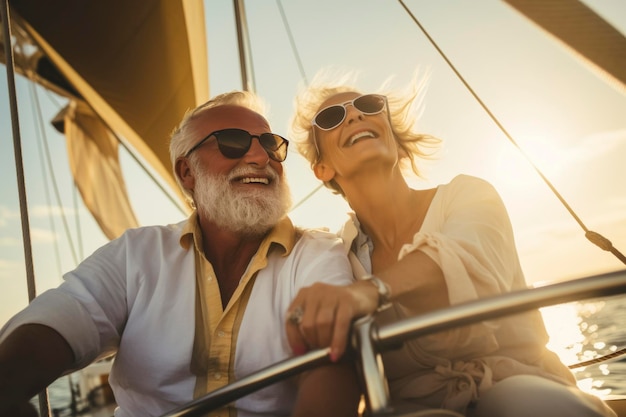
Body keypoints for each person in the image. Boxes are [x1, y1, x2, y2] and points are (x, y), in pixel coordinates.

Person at [0, 91, 361, 417]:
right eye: (233, 142)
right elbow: (64, 318)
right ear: (187, 172)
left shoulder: (316, 253)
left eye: (270, 144)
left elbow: (331, 362)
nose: (259, 156)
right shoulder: (136, 254)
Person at [284, 71, 617, 417]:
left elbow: (459, 266)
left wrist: (367, 292)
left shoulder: (469, 196)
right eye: (331, 117)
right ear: (321, 169)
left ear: (395, 141)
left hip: (521, 381)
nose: (354, 115)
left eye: (368, 106)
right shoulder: (337, 256)